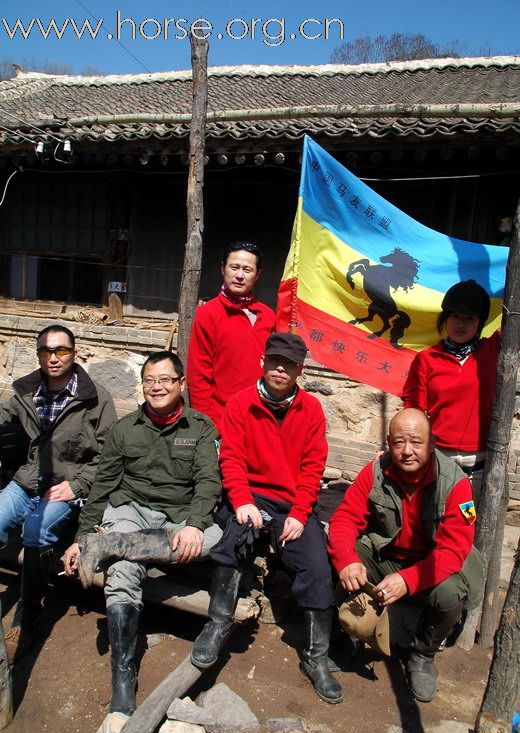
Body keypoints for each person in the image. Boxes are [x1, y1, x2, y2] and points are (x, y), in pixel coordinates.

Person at [63, 351, 221, 716]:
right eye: (150, 380)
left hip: (177, 518)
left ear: (181, 384)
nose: (157, 386)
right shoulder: (125, 429)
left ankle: (117, 546)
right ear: (143, 386)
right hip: (130, 511)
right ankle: (122, 674)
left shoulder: (200, 427)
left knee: (216, 538)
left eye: (166, 379)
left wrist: (196, 524)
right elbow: (102, 486)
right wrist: (83, 537)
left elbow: (208, 484)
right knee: (121, 574)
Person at [189, 332, 344, 705]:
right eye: (274, 360)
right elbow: (231, 459)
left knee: (316, 566)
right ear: (263, 361)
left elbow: (312, 469)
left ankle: (315, 655)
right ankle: (217, 623)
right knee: (233, 544)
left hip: (291, 503)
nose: (280, 368)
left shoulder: (310, 410)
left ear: (299, 370)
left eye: (288, 364)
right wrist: (241, 501)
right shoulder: (241, 403)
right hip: (250, 497)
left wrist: (300, 513)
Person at [328, 408, 483, 702]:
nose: (407, 451)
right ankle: (350, 637)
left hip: (435, 563)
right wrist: (346, 560)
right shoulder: (375, 472)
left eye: (416, 442)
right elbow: (345, 518)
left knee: (449, 593)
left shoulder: (456, 483)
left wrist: (408, 580)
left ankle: (423, 654)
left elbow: (453, 549)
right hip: (389, 554)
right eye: (399, 442)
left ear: (431, 443)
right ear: (389, 443)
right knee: (347, 557)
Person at [0, 324, 116, 663]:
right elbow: (5, 415)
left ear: (74, 353)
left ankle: (28, 616)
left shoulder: (95, 397)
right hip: (27, 482)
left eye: (61, 350)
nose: (54, 357)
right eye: (46, 351)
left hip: (66, 488)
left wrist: (78, 485)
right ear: (39, 355)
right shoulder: (27, 391)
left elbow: (108, 456)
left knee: (36, 531)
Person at [402, 279, 500, 503]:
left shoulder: (493, 350)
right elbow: (412, 410)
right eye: (455, 316)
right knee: (435, 529)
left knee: (469, 529)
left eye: (469, 319)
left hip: (482, 468)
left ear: (481, 323)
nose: (461, 324)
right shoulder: (426, 359)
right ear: (445, 318)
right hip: (438, 463)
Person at [187, 240, 275, 434]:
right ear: (222, 268)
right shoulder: (208, 314)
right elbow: (199, 374)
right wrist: (207, 424)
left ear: (257, 274)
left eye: (247, 269)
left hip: (261, 416)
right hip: (221, 420)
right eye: (234, 267)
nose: (240, 276)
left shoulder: (268, 316)